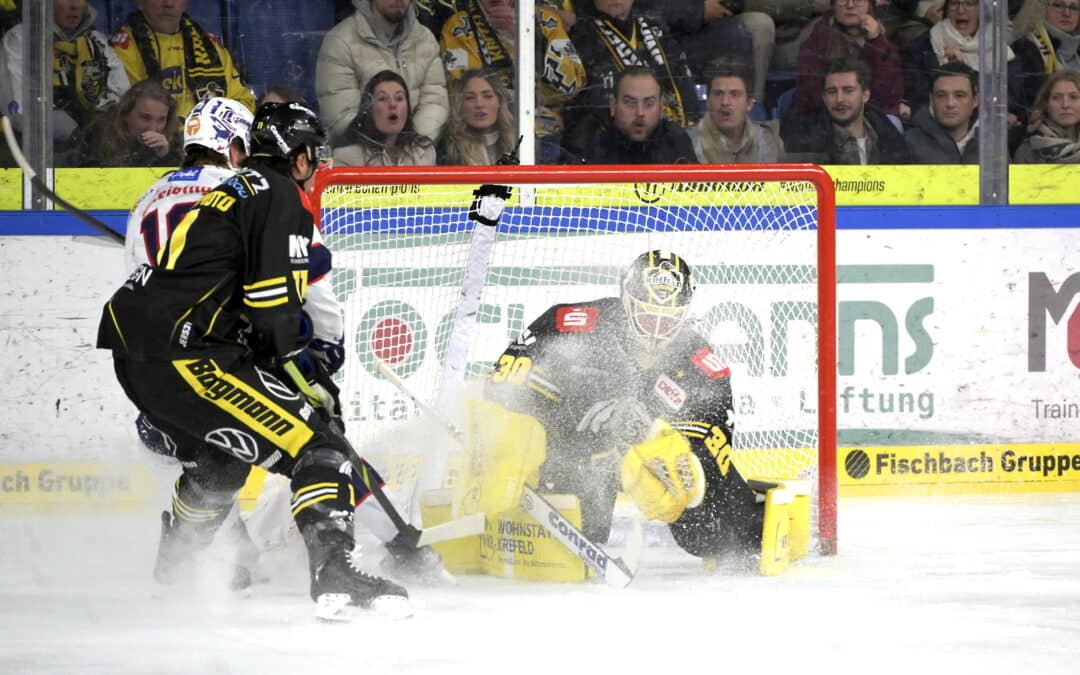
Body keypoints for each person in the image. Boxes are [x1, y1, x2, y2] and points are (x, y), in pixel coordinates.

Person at [96, 102, 435, 620]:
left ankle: (178, 562)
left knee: (224, 457)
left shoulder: (185, 193)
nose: (315, 165)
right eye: (312, 155)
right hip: (191, 355)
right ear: (296, 158)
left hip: (135, 352)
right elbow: (277, 308)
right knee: (315, 442)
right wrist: (308, 365)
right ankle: (335, 571)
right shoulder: (275, 194)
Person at [483, 250, 765, 561]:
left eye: (669, 321)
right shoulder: (572, 324)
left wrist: (655, 435)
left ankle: (757, 518)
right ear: (627, 301)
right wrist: (574, 403)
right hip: (579, 450)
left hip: (648, 461)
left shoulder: (702, 365)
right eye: (647, 317)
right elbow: (501, 380)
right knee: (574, 519)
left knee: (708, 534)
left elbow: (716, 450)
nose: (656, 333)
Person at [438, 0, 586, 158]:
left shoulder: (546, 20)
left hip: (545, 135)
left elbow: (573, 85)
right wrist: (542, 96)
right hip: (486, 139)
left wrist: (527, 36)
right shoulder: (458, 27)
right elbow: (469, 98)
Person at [1, 0, 130, 160]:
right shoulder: (20, 39)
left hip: (97, 151)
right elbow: (18, 111)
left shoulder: (97, 41)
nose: (75, 5)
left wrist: (100, 124)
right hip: (37, 155)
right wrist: (69, 129)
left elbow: (125, 99)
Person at [564, 0, 699, 147]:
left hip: (674, 144)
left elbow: (687, 95)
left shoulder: (657, 28)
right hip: (615, 150)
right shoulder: (580, 38)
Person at [316, 0, 449, 145]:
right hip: (360, 159)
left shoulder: (426, 40)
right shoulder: (340, 42)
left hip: (416, 154)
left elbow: (436, 104)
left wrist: (412, 146)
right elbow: (340, 117)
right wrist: (386, 147)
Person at [108, 0, 255, 119]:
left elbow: (244, 103)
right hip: (155, 149)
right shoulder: (123, 49)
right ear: (139, 2)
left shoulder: (210, 46)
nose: (168, 3)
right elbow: (128, 116)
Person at [901, 0, 1023, 125]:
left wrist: (966, 70)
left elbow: (1010, 97)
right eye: (954, 3)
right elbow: (917, 95)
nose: (960, 10)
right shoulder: (923, 46)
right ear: (946, 9)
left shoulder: (998, 48)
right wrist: (952, 71)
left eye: (969, 4)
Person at [781, 57, 911, 163]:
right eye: (831, 92)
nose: (839, 99)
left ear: (865, 95)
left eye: (848, 90)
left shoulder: (886, 133)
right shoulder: (804, 139)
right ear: (824, 98)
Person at [789, 0, 905, 119]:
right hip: (826, 118)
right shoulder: (818, 40)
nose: (850, 5)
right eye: (842, 0)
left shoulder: (881, 42)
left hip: (869, 116)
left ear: (870, 5)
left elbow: (888, 96)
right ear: (833, 6)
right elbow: (812, 96)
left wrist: (876, 41)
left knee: (892, 122)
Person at [571, 66, 697, 164]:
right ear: (613, 105)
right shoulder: (592, 143)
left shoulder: (676, 142)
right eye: (630, 102)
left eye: (649, 103)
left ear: (661, 107)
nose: (640, 112)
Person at [688, 56, 785, 163]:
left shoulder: (769, 142)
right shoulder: (688, 143)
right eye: (718, 93)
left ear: (749, 103)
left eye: (734, 94)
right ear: (708, 101)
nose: (725, 102)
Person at [333, 69, 437, 166]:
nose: (392, 104)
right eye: (382, 99)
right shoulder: (347, 159)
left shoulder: (424, 152)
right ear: (369, 108)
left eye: (399, 98)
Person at [74, 78, 183, 167]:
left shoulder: (171, 139)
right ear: (126, 114)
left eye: (161, 120)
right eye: (145, 118)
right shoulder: (100, 133)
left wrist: (165, 156)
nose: (153, 128)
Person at [905, 61, 980, 163]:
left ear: (975, 101)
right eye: (941, 95)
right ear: (931, 100)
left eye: (959, 95)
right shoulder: (910, 143)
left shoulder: (992, 145)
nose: (950, 104)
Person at [438, 69, 518, 165]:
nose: (479, 104)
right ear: (459, 104)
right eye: (470, 98)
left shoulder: (520, 142)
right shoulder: (448, 149)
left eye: (487, 96)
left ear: (500, 102)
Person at [1011, 0, 1080, 111]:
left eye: (1074, 7)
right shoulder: (1025, 50)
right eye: (1058, 5)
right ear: (1040, 9)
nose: (1067, 13)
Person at [1013, 69, 1080, 162]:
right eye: (1057, 98)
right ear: (1046, 105)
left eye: (1074, 97)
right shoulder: (1027, 152)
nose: (1065, 105)